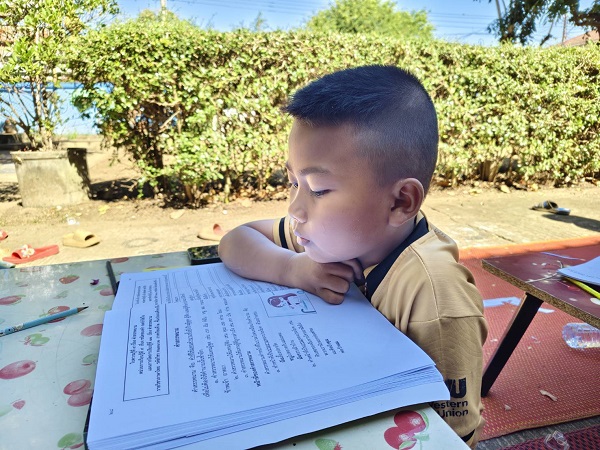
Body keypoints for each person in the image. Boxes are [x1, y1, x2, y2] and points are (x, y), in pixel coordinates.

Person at [218, 65, 488, 448]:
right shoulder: (327, 240)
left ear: (400, 202)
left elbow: (451, 434)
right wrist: (291, 268)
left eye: (318, 189)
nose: (295, 208)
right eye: (292, 182)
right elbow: (235, 240)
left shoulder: (435, 295)